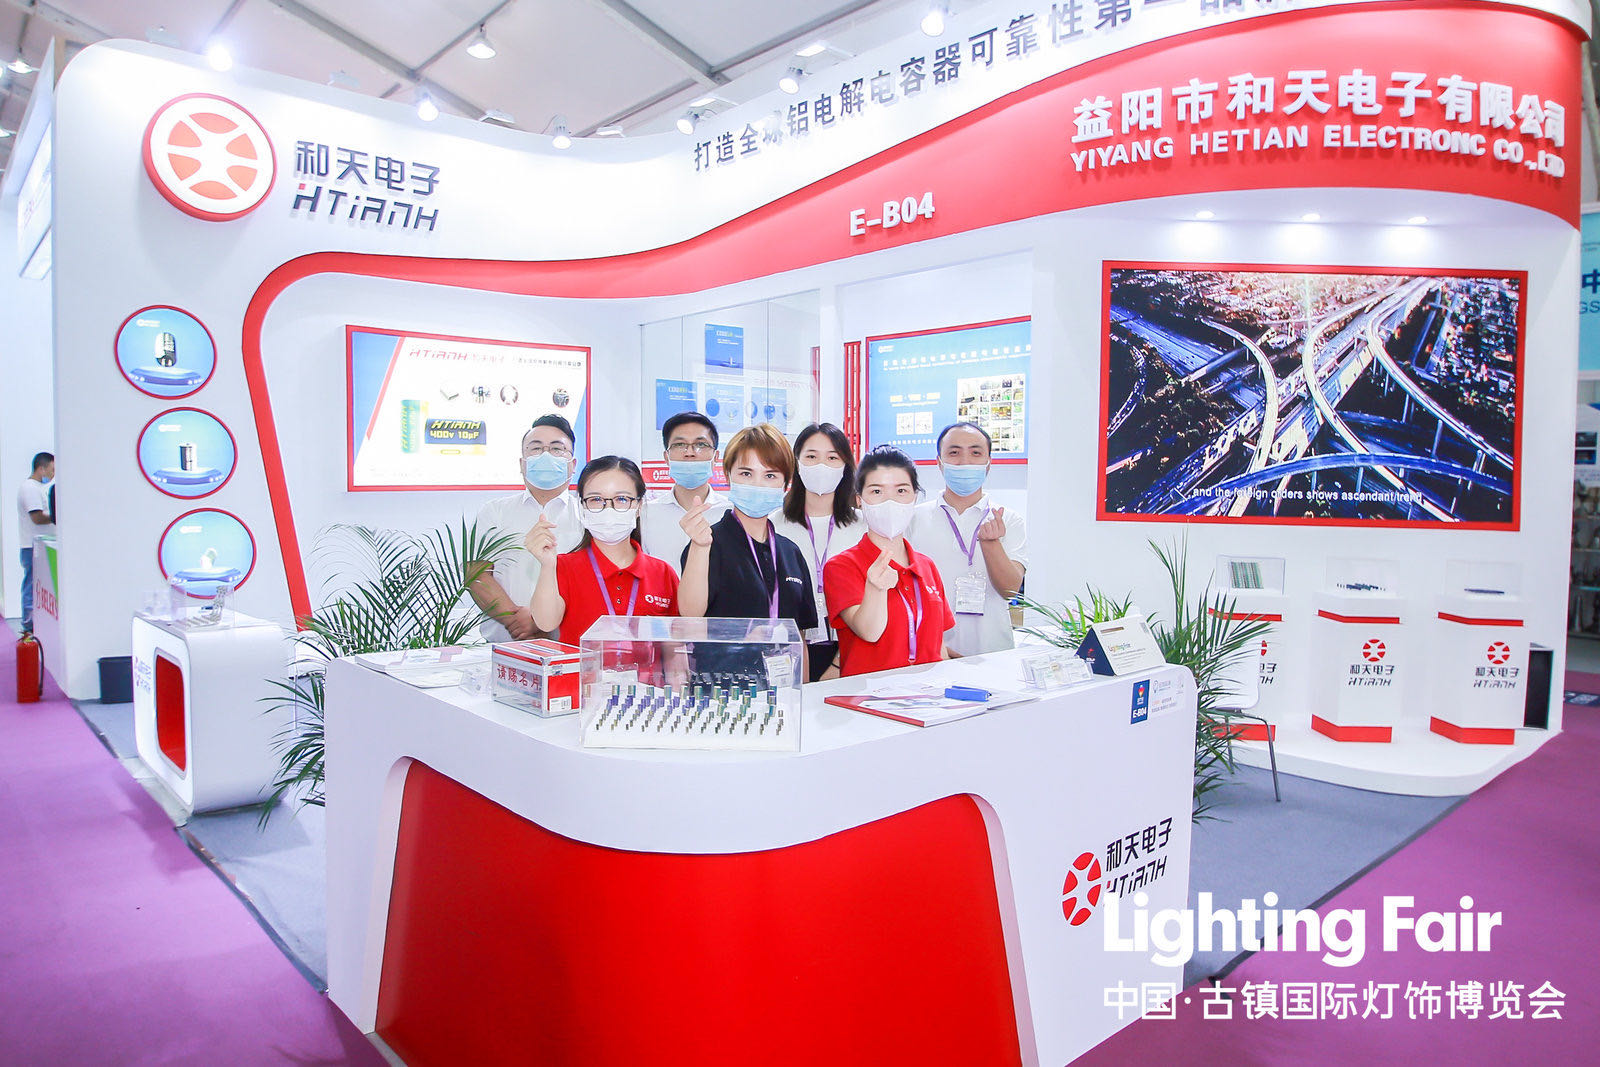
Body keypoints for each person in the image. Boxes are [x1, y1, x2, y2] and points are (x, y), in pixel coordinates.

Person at [679, 424, 818, 686]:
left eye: (770, 475)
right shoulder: (708, 542)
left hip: (783, 692)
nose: (758, 484)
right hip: (722, 692)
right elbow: (690, 613)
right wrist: (700, 547)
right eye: (746, 473)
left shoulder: (790, 552)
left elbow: (799, 639)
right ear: (728, 476)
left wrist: (805, 693)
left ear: (785, 484)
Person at [823, 447, 954, 677]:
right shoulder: (841, 567)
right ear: (860, 500)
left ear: (915, 497)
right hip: (868, 694)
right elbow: (869, 632)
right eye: (877, 491)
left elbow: (938, 645)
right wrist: (875, 589)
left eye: (901, 490)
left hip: (929, 693)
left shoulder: (927, 566)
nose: (890, 501)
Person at [529, 456, 679, 647]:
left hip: (646, 669)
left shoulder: (663, 573)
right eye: (596, 499)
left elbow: (673, 647)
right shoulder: (562, 566)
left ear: (639, 506)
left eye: (622, 499)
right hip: (580, 668)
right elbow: (546, 623)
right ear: (582, 506)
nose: (609, 509)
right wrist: (547, 565)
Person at [909, 421, 1028, 656]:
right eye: (954, 453)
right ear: (939, 463)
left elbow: (1010, 591)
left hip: (992, 651)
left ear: (988, 463)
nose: (965, 462)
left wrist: (991, 544)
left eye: (975, 453)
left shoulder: (1009, 520)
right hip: (930, 652)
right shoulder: (913, 518)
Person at [469, 416, 582, 642]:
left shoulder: (587, 513)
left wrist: (543, 620)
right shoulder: (494, 512)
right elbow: (477, 575)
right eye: (536, 448)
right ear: (522, 464)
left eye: (557, 449)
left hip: (570, 647)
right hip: (504, 646)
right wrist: (515, 620)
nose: (546, 455)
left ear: (573, 464)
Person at [773, 423, 864, 681]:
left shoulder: (865, 525)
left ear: (846, 466)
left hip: (850, 650)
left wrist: (838, 664)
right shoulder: (774, 524)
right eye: (811, 456)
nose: (821, 466)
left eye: (832, 457)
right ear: (797, 463)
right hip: (787, 650)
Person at [640, 412, 729, 574]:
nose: (690, 452)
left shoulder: (730, 513)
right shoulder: (646, 514)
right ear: (666, 457)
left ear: (716, 457)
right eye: (680, 444)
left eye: (701, 444)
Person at [15, 451, 54, 632]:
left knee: (35, 585)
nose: (53, 474)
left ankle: (33, 623)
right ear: (41, 468)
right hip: (32, 546)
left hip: (37, 546)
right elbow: (37, 518)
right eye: (51, 470)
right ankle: (29, 625)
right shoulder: (30, 488)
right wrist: (57, 517)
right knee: (31, 585)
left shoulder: (37, 488)